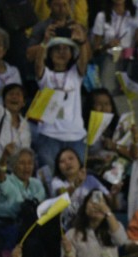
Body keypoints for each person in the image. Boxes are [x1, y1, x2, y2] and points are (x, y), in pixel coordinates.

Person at [33, 31, 91, 169]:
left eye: (66, 49)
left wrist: (82, 42)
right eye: (57, 49)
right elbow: (37, 65)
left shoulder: (75, 74)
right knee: (48, 178)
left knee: (76, 178)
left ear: (72, 54)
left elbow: (83, 61)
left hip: (76, 136)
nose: (61, 52)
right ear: (50, 54)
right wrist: (44, 43)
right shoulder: (46, 75)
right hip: (49, 135)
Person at [0, 147, 47, 222]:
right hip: (7, 225)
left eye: (30, 163)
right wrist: (4, 157)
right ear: (13, 165)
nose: (27, 167)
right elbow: (0, 176)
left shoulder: (37, 184)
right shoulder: (8, 180)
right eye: (22, 163)